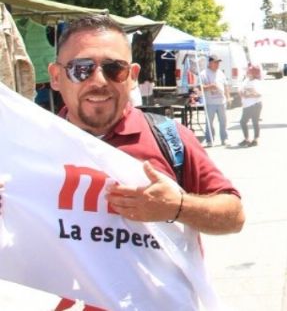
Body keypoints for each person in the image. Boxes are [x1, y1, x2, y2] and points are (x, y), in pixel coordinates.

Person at [47, 15, 244, 233]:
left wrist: (178, 207)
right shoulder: (32, 143)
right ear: (56, 77)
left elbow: (234, 217)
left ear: (132, 76)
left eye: (114, 68)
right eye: (81, 68)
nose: (99, 81)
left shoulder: (169, 138)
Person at [201, 54, 230, 147]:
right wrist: (209, 87)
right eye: (215, 62)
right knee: (209, 122)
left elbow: (226, 85)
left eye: (218, 62)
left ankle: (224, 139)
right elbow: (199, 87)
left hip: (221, 101)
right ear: (210, 63)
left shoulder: (220, 73)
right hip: (210, 102)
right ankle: (210, 140)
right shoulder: (203, 73)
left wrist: (228, 97)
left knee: (223, 121)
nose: (217, 64)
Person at [238, 64, 263, 147]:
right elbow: (241, 89)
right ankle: (247, 139)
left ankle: (255, 139)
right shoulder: (247, 80)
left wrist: (249, 94)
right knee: (243, 122)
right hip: (247, 105)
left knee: (254, 122)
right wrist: (242, 93)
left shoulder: (257, 82)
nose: (248, 73)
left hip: (255, 105)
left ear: (254, 73)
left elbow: (259, 94)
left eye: (250, 72)